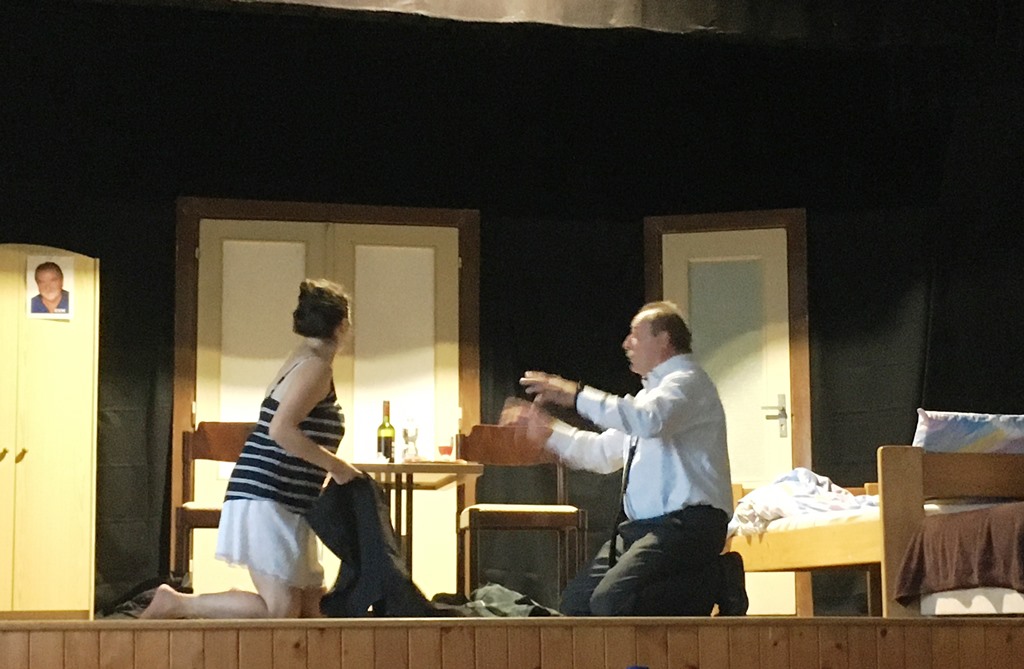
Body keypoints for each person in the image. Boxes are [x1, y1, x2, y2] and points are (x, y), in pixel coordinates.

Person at [503, 300, 747, 616]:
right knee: (577, 606)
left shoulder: (688, 382)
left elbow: (647, 420)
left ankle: (719, 577)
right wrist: (548, 432)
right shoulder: (647, 399)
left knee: (611, 602)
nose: (626, 344)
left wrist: (573, 394)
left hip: (688, 524)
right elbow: (602, 454)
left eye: (635, 335)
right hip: (644, 530)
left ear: (664, 339)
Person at [142, 279, 362, 619]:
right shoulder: (315, 367)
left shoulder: (304, 358)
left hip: (288, 500)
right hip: (267, 496)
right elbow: (281, 429)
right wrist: (337, 466)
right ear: (342, 325)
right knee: (281, 610)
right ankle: (179, 603)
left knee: (310, 609)